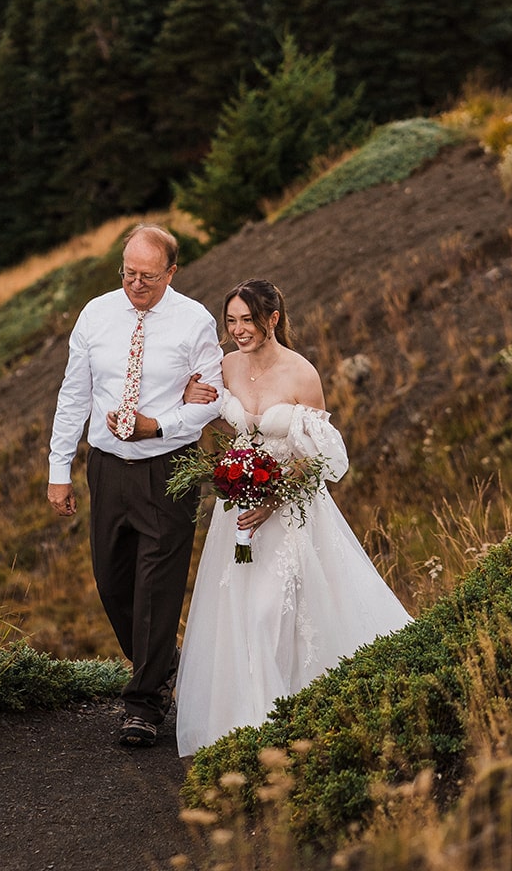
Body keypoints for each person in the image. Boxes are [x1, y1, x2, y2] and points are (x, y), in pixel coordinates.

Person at [174, 278, 412, 758]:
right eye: (232, 321)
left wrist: (274, 499)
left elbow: (319, 457)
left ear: (273, 319)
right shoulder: (225, 367)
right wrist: (199, 407)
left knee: (274, 612)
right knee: (240, 610)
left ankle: (288, 718)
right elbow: (230, 425)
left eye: (248, 320)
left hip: (290, 511)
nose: (238, 330)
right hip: (239, 510)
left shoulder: (302, 374)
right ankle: (247, 725)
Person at [47, 223, 223, 749]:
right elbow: (73, 395)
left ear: (172, 271)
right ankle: (163, 662)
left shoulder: (194, 321)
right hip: (106, 467)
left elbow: (211, 398)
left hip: (168, 469)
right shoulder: (95, 314)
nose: (136, 283)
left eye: (148, 275)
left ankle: (143, 704)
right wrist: (60, 469)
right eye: (128, 272)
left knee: (158, 585)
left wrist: (162, 424)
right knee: (112, 580)